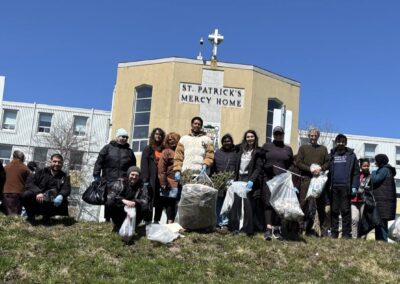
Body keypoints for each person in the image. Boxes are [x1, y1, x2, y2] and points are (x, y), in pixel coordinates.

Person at [93, 128, 136, 221]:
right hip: (108, 178)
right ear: (117, 137)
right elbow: (99, 162)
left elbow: (133, 167)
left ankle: (118, 219)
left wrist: (132, 178)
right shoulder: (107, 148)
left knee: (121, 199)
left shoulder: (129, 152)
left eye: (126, 137)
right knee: (109, 199)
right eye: (122, 136)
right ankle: (107, 218)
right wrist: (96, 174)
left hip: (123, 180)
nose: (124, 138)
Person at [261, 126, 294, 240]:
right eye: (276, 134)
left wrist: (289, 171)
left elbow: (291, 164)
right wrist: (266, 167)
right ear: (273, 135)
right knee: (269, 203)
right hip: (269, 179)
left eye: (280, 134)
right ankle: (268, 229)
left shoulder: (288, 149)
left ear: (283, 135)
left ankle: (277, 229)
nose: (278, 136)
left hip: (282, 180)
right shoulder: (266, 146)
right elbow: (261, 162)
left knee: (279, 205)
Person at [296, 127, 330, 236]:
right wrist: (310, 169)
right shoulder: (303, 148)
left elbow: (328, 162)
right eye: (311, 135)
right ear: (308, 136)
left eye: (315, 135)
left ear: (318, 136)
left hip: (319, 181)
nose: (313, 137)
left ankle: (323, 232)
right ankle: (301, 229)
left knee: (320, 206)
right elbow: (298, 162)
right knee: (303, 204)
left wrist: (320, 169)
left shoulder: (323, 149)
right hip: (306, 180)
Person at [228, 130, 262, 236]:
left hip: (249, 179)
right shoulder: (240, 150)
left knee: (248, 205)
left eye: (252, 137)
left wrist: (252, 180)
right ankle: (234, 228)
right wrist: (231, 178)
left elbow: (258, 168)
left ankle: (249, 230)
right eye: (248, 137)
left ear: (255, 138)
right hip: (239, 178)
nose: (250, 139)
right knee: (236, 204)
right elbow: (232, 147)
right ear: (245, 138)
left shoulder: (258, 152)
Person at [22, 153, 71, 223]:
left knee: (63, 199)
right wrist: (37, 192)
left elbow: (67, 188)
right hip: (39, 200)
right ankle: (31, 217)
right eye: (55, 161)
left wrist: (61, 195)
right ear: (50, 162)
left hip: (53, 203)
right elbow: (29, 183)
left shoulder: (65, 176)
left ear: (62, 164)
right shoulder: (40, 172)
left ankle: (48, 217)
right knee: (26, 195)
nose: (57, 164)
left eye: (59, 162)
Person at [328, 134, 360, 239]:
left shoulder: (351, 155)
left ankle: (346, 234)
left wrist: (355, 186)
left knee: (346, 211)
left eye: (342, 142)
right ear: (336, 142)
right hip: (333, 187)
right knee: (334, 211)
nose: (340, 143)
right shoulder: (332, 154)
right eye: (338, 141)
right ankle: (334, 232)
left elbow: (356, 172)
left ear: (345, 143)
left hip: (346, 187)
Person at [106, 166, 149, 235]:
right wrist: (123, 200)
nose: (134, 177)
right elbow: (110, 196)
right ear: (128, 174)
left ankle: (134, 226)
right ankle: (117, 225)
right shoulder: (120, 182)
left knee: (145, 207)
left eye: (136, 175)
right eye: (132, 174)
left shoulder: (142, 185)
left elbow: (145, 200)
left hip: (133, 211)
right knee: (109, 203)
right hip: (120, 210)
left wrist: (135, 202)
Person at [210, 134, 238, 229]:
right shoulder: (217, 153)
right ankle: (218, 222)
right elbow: (213, 167)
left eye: (229, 141)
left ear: (232, 142)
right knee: (219, 202)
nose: (227, 143)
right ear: (222, 143)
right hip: (219, 181)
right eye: (225, 141)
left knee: (228, 202)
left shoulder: (236, 152)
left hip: (231, 181)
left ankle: (225, 222)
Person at [141, 128, 165, 223]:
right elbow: (144, 165)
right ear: (153, 135)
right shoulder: (148, 148)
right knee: (149, 198)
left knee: (160, 199)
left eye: (160, 135)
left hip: (161, 178)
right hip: (151, 178)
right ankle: (147, 220)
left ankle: (156, 220)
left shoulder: (164, 149)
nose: (158, 136)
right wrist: (145, 179)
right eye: (156, 134)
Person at [371, 154, 397, 242]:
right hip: (384, 202)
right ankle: (381, 242)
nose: (375, 163)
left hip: (383, 202)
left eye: (376, 161)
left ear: (380, 161)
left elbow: (375, 180)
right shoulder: (387, 169)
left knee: (380, 223)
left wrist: (373, 172)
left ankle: (381, 242)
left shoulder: (384, 170)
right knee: (381, 223)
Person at [158, 132, 181, 223]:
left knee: (179, 203)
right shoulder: (166, 152)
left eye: (174, 139)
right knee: (170, 202)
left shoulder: (181, 152)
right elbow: (161, 168)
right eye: (169, 140)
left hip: (181, 182)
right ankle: (170, 221)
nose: (171, 141)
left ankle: (177, 222)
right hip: (170, 181)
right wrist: (163, 182)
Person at [2, 150, 31, 215]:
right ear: (22, 158)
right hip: (17, 193)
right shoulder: (25, 168)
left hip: (5, 193)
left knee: (6, 214)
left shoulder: (6, 167)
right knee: (14, 215)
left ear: (13, 157)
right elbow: (30, 182)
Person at [351, 159, 370, 238]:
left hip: (364, 201)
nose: (366, 167)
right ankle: (354, 237)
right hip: (354, 200)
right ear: (360, 166)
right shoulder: (356, 175)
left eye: (367, 166)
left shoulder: (370, 176)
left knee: (363, 221)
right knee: (354, 219)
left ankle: (362, 237)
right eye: (364, 166)